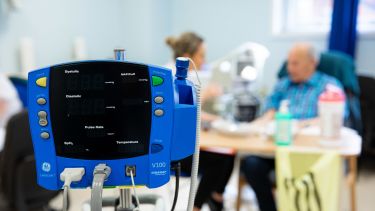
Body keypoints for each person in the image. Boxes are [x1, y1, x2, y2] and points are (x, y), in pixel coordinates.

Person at [241, 43, 345, 211]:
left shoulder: (330, 87)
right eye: (288, 63)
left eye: (295, 63)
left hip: (310, 154)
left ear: (312, 63)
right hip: (277, 149)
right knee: (251, 164)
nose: (289, 68)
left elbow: (337, 119)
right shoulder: (283, 84)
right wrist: (253, 127)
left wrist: (298, 125)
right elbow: (270, 112)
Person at [166, 32, 234, 211]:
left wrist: (217, 119)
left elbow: (190, 111)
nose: (204, 60)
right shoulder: (176, 78)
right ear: (188, 57)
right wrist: (204, 95)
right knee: (220, 159)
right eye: (201, 55)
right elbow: (184, 113)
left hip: (180, 141)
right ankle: (197, 206)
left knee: (229, 154)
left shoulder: (185, 76)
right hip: (172, 151)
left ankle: (215, 196)